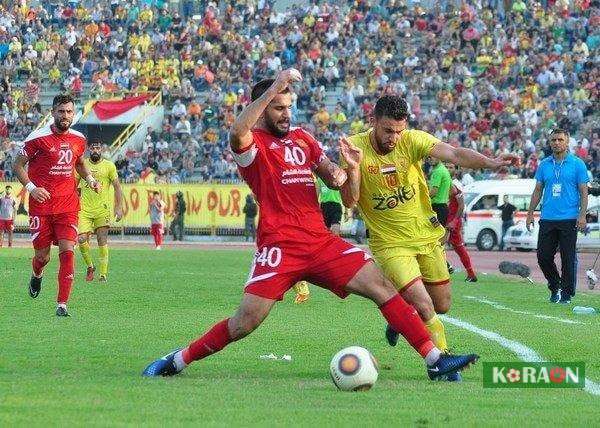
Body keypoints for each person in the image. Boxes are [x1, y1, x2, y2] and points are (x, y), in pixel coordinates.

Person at [143, 69, 478, 380]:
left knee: (383, 287)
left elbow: (335, 178)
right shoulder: (252, 145)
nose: (286, 113)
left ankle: (435, 360)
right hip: (280, 246)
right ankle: (177, 360)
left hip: (320, 242)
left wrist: (351, 169)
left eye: (289, 106)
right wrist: (275, 84)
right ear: (260, 110)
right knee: (244, 323)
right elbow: (237, 131)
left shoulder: (302, 138)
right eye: (277, 107)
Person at [340, 95, 514, 380]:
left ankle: (401, 317)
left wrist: (492, 163)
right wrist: (353, 170)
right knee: (425, 304)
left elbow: (455, 154)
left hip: (426, 237)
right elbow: (350, 201)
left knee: (442, 304)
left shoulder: (412, 140)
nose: (394, 137)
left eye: (399, 130)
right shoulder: (354, 147)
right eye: (387, 131)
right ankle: (441, 364)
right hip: (390, 244)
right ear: (373, 121)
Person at [13, 94, 100, 317]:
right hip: (41, 206)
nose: (65, 116)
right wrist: (32, 188)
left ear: (73, 114)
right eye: (61, 111)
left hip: (68, 206)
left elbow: (79, 162)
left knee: (68, 252)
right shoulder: (37, 137)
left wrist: (89, 179)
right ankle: (37, 274)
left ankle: (62, 304)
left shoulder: (79, 139)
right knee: (43, 257)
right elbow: (18, 165)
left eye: (69, 112)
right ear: (53, 113)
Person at [526, 129, 589, 304]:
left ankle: (566, 294)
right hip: (547, 218)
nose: (556, 142)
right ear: (549, 141)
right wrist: (530, 213)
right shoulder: (544, 164)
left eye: (560, 139)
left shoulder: (577, 164)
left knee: (568, 258)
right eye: (553, 139)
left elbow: (584, 192)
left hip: (569, 218)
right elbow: (538, 190)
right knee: (543, 257)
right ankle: (555, 285)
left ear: (567, 142)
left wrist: (582, 215)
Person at [77, 139, 124, 282]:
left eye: (98, 148)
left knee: (101, 239)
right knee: (81, 239)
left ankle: (103, 274)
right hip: (84, 209)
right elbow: (73, 185)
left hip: (102, 209)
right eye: (93, 148)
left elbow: (117, 187)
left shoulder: (109, 166)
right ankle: (90, 266)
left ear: (102, 150)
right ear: (88, 150)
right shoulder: (82, 164)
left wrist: (118, 207)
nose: (95, 150)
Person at [293, 176, 345, 304]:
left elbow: (345, 194)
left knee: (335, 233)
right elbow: (316, 193)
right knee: (320, 235)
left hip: (336, 207)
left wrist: (348, 211)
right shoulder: (321, 179)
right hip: (324, 207)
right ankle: (323, 260)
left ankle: (336, 260)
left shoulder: (339, 179)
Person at [446, 165, 477, 282]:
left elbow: (461, 205)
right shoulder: (447, 181)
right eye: (446, 166)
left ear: (456, 170)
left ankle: (470, 273)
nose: (448, 169)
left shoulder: (456, 184)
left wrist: (455, 220)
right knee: (438, 244)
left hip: (453, 221)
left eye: (451, 167)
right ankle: (470, 273)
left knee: (458, 248)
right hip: (447, 219)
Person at [428, 158, 452, 227]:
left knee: (434, 234)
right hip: (444, 207)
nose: (430, 159)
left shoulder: (438, 171)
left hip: (437, 208)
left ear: (439, 157)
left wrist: (421, 200)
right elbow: (453, 190)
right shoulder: (445, 170)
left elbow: (433, 192)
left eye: (433, 156)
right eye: (429, 157)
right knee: (440, 233)